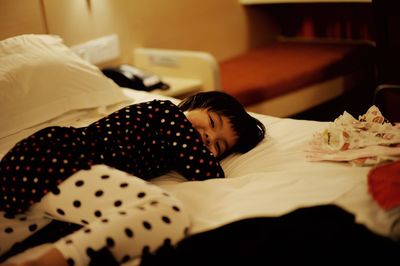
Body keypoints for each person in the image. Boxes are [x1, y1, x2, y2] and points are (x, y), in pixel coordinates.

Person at [0, 91, 265, 266]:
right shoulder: (167, 114)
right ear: (193, 104)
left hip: (44, 184)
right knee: (165, 212)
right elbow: (208, 172)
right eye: (211, 122)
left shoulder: (171, 150)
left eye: (218, 147)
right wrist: (209, 157)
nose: (208, 136)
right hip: (58, 157)